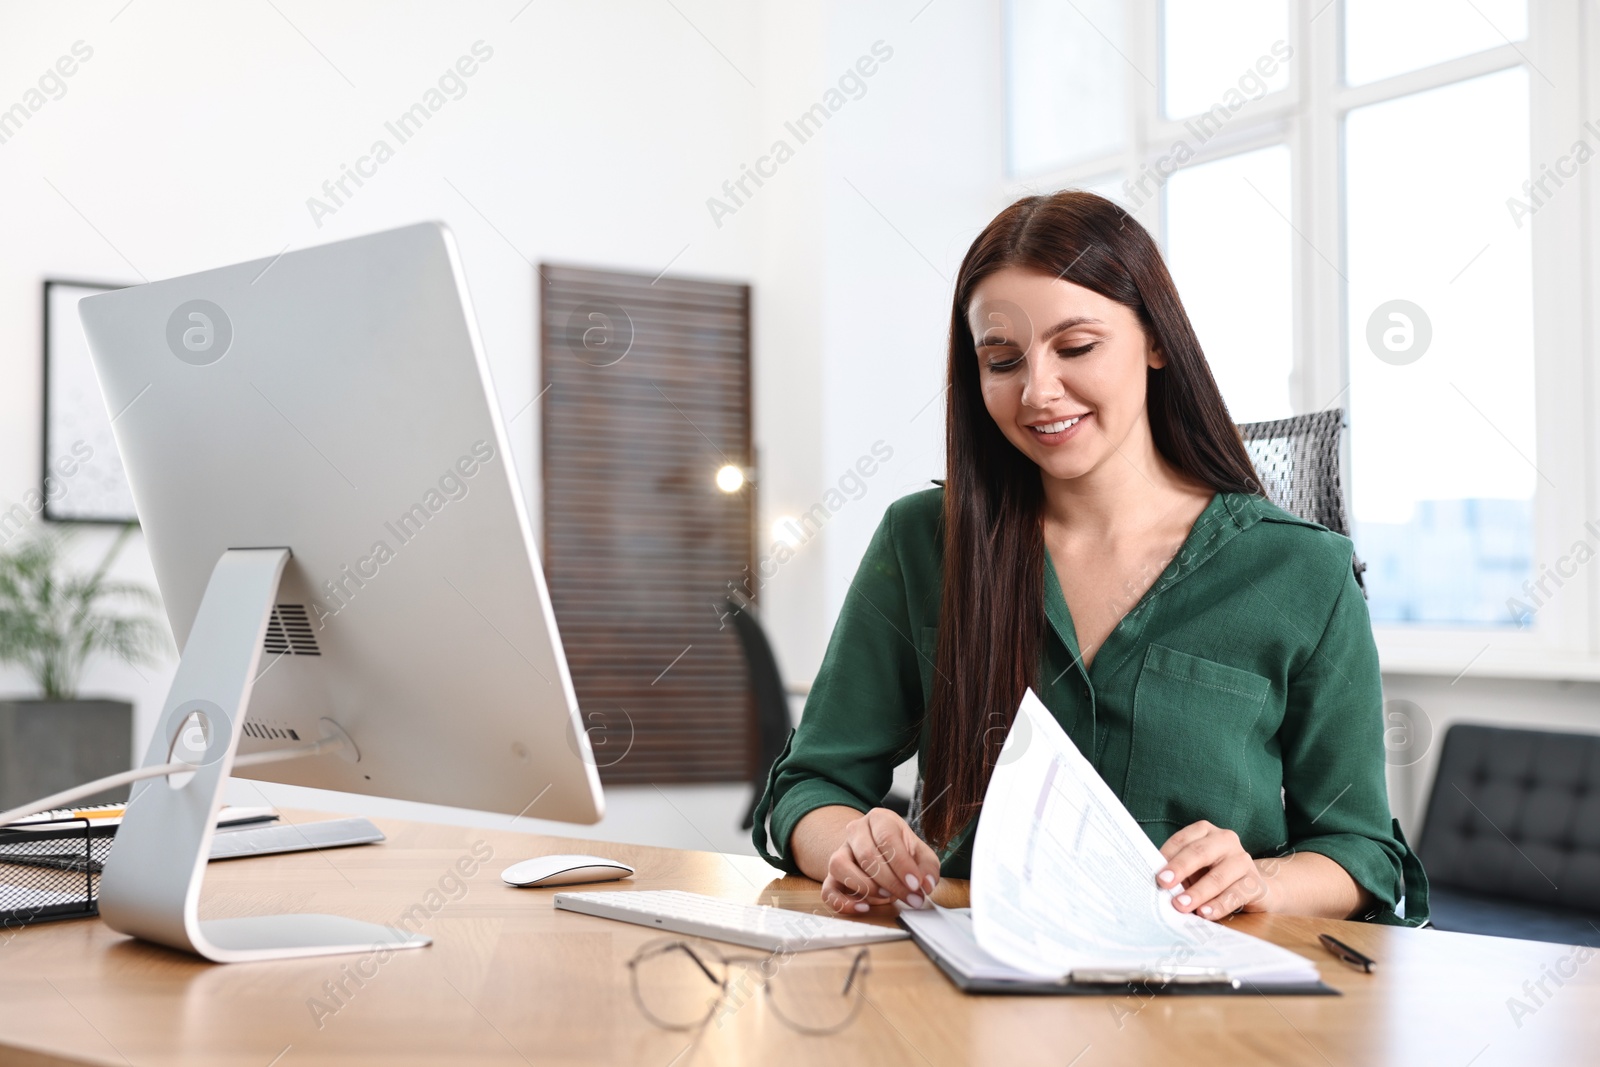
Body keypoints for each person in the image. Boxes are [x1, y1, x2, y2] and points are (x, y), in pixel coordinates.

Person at [751, 190, 1428, 928]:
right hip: (967, 990)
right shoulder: (923, 541)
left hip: (1202, 1007)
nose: (1039, 392)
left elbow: (1360, 851)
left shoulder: (1303, 573)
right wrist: (851, 841)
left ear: (1156, 341)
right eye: (1002, 359)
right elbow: (807, 788)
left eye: (1076, 347)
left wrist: (1263, 880)